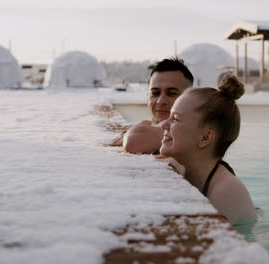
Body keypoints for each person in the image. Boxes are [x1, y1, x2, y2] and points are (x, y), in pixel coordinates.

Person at [157, 74, 256, 224]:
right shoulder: (189, 168)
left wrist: (180, 190)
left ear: (205, 138)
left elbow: (190, 239)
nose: (164, 124)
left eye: (175, 118)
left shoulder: (227, 191)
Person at [107, 57, 194, 154]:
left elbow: (134, 141)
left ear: (190, 99)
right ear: (148, 98)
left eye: (172, 93)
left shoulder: (193, 131)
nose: (160, 101)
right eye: (155, 93)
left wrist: (135, 131)